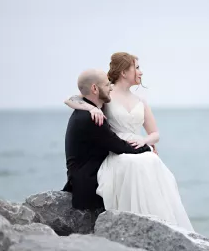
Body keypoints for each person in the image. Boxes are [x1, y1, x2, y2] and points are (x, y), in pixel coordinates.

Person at [64, 52, 194, 232]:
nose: (141, 72)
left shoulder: (141, 101)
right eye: (137, 67)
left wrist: (145, 142)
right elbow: (76, 97)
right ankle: (137, 225)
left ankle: (163, 225)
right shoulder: (107, 95)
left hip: (138, 147)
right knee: (137, 163)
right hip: (117, 150)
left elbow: (155, 133)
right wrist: (88, 107)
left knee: (153, 162)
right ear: (124, 72)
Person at [62, 68, 151, 212]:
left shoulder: (87, 109)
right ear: (95, 89)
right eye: (106, 85)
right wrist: (146, 147)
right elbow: (119, 146)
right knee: (137, 165)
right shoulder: (92, 118)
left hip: (85, 174)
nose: (110, 88)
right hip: (88, 185)